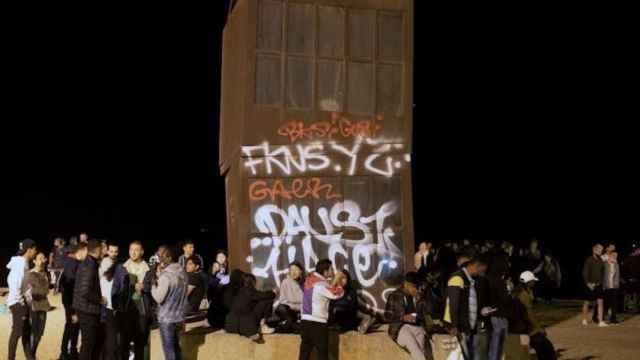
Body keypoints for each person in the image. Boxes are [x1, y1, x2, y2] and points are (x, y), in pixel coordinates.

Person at [299, 259, 345, 360]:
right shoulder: (320, 284)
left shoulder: (309, 279)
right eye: (331, 269)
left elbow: (327, 289)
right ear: (325, 271)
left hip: (305, 322)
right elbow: (335, 294)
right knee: (322, 354)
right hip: (317, 323)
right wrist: (340, 283)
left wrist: (333, 281)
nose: (332, 271)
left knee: (304, 353)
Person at [443, 256, 487, 360]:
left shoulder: (470, 280)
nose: (482, 274)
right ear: (475, 266)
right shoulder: (457, 278)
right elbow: (453, 304)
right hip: (458, 327)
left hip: (466, 327)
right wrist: (454, 325)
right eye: (482, 271)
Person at [151, 245, 189, 360]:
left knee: (169, 351)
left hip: (167, 319)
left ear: (169, 257)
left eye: (161, 254)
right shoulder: (183, 273)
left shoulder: (166, 276)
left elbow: (158, 298)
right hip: (179, 317)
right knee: (177, 349)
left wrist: (153, 285)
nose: (158, 257)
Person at [385, 272, 430, 360]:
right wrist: (403, 317)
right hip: (400, 327)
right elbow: (387, 316)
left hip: (416, 327)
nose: (416, 290)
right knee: (413, 345)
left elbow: (426, 314)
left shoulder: (418, 297)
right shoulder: (395, 295)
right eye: (414, 287)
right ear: (406, 285)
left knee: (421, 343)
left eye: (418, 287)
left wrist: (430, 326)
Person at [6, 238, 38, 360]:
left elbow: (23, 285)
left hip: (19, 302)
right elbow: (15, 285)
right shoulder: (20, 264)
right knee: (17, 332)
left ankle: (30, 357)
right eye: (35, 249)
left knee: (25, 331)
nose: (36, 252)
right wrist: (21, 303)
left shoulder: (22, 263)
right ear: (29, 250)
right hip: (17, 303)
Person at [73, 239, 105, 360]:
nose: (103, 251)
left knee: (89, 343)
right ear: (97, 250)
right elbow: (85, 291)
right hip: (87, 310)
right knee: (88, 345)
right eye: (102, 249)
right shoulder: (90, 265)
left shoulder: (89, 262)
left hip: (84, 308)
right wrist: (100, 300)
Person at [513, 271, 557, 360]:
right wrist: (538, 328)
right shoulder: (524, 295)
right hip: (525, 327)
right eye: (533, 281)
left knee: (543, 348)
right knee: (546, 347)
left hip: (522, 327)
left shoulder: (521, 291)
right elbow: (529, 314)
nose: (534, 283)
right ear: (528, 282)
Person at [121, 241, 151, 360]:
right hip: (126, 309)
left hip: (142, 309)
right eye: (131, 249)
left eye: (136, 250)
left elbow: (152, 286)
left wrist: (144, 287)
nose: (133, 252)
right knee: (125, 341)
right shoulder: (123, 267)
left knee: (140, 341)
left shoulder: (148, 268)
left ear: (142, 252)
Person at [225, 273, 276, 343]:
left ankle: (254, 328)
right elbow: (265, 295)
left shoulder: (237, 291)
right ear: (252, 282)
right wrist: (273, 292)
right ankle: (262, 326)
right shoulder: (249, 290)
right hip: (247, 326)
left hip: (230, 326)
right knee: (268, 299)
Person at [59, 243, 87, 360]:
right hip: (71, 303)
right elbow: (69, 287)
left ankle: (70, 351)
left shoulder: (73, 263)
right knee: (71, 326)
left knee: (72, 326)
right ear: (80, 251)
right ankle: (66, 353)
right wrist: (74, 310)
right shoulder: (73, 264)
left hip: (70, 302)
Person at [22, 252, 51, 359]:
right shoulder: (29, 274)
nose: (42, 260)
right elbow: (26, 292)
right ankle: (31, 356)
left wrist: (40, 291)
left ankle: (32, 354)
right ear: (34, 261)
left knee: (39, 334)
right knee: (34, 332)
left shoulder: (45, 273)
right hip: (33, 307)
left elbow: (47, 290)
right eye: (39, 258)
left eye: (43, 258)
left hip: (43, 305)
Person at [486, 250, 512, 360]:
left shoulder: (487, 278)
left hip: (489, 317)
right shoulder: (499, 281)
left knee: (492, 349)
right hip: (499, 317)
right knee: (498, 350)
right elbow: (505, 299)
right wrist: (509, 290)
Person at [274, 262, 304, 333]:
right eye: (291, 270)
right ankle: (294, 325)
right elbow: (282, 300)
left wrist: (300, 309)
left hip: (302, 311)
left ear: (301, 271)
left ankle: (288, 326)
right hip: (289, 310)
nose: (293, 272)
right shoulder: (285, 282)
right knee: (281, 308)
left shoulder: (305, 283)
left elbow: (306, 301)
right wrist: (294, 307)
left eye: (296, 270)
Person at [582, 243, 608, 327]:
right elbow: (584, 273)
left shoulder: (601, 260)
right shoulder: (589, 260)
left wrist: (603, 283)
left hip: (599, 285)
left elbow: (603, 272)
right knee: (587, 303)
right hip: (590, 285)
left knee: (600, 302)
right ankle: (584, 319)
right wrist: (588, 283)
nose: (601, 251)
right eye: (600, 249)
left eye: (602, 250)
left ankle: (600, 321)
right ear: (594, 250)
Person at [99, 256, 119, 360]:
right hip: (111, 311)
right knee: (111, 339)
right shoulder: (115, 279)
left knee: (104, 338)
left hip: (103, 309)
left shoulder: (102, 279)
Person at [603, 252, 620, 324]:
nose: (615, 257)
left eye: (616, 256)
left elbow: (618, 275)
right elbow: (602, 275)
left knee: (613, 303)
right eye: (613, 255)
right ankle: (599, 317)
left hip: (613, 287)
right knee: (605, 303)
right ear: (610, 256)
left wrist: (617, 285)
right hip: (606, 286)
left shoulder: (616, 265)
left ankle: (613, 319)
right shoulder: (605, 264)